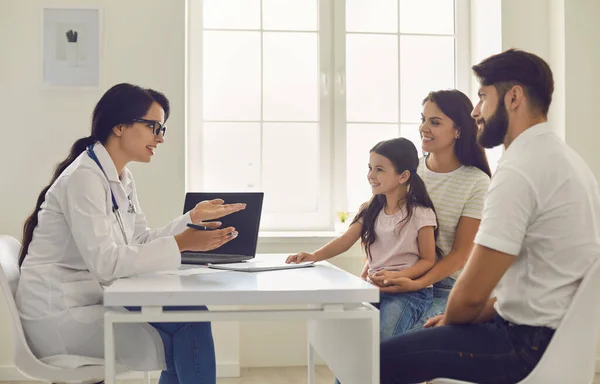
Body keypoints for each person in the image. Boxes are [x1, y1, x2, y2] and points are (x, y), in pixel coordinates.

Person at [380, 49, 600, 384]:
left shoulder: (519, 169)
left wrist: (453, 321)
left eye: (483, 97)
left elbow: (468, 297)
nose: (475, 110)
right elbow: (530, 288)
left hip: (521, 345)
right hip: (552, 337)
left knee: (374, 360)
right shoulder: (565, 160)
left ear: (513, 97)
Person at [15, 83, 246, 384]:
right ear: (120, 126)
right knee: (188, 322)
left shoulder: (121, 177)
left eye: (162, 129)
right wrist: (180, 244)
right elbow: (106, 264)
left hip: (89, 298)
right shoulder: (84, 177)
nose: (160, 138)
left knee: (189, 315)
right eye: (153, 127)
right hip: (60, 315)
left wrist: (190, 219)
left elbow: (138, 241)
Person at [287, 137, 439, 340]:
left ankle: (383, 372)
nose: (370, 175)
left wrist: (398, 276)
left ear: (403, 176)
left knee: (384, 337)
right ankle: (351, 372)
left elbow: (428, 260)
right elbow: (345, 240)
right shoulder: (371, 210)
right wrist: (314, 256)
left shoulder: (421, 214)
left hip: (409, 291)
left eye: (379, 169)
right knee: (347, 336)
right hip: (373, 287)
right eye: (370, 168)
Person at [369, 89, 491, 331]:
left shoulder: (477, 183)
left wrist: (416, 284)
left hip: (443, 287)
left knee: (389, 342)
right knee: (353, 335)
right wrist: (371, 272)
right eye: (423, 119)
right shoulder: (410, 172)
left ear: (458, 131)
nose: (424, 127)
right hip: (396, 278)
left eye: (435, 122)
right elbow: (382, 223)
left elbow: (460, 254)